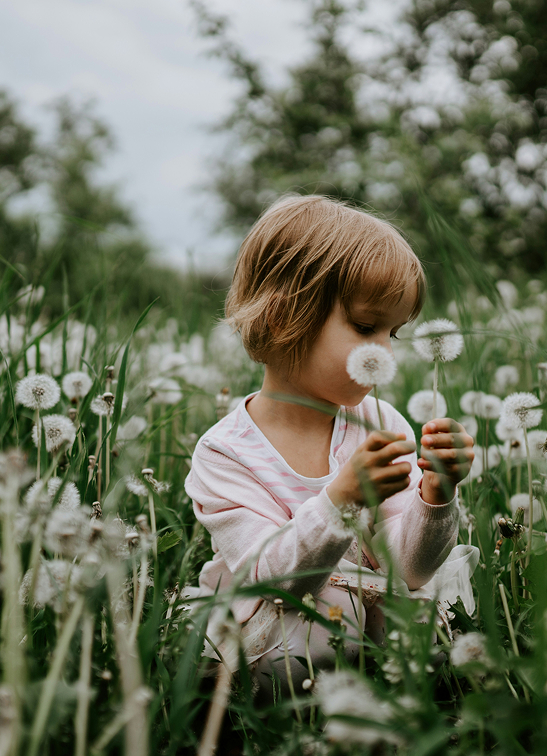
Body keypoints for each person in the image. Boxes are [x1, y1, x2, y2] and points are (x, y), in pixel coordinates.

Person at [184, 194, 475, 696]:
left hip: (377, 615)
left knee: (426, 629)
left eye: (393, 332)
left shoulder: (381, 423)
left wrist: (436, 493)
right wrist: (339, 504)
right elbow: (274, 584)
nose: (382, 348)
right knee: (306, 638)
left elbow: (411, 569)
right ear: (281, 316)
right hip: (281, 629)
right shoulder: (225, 454)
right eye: (365, 327)